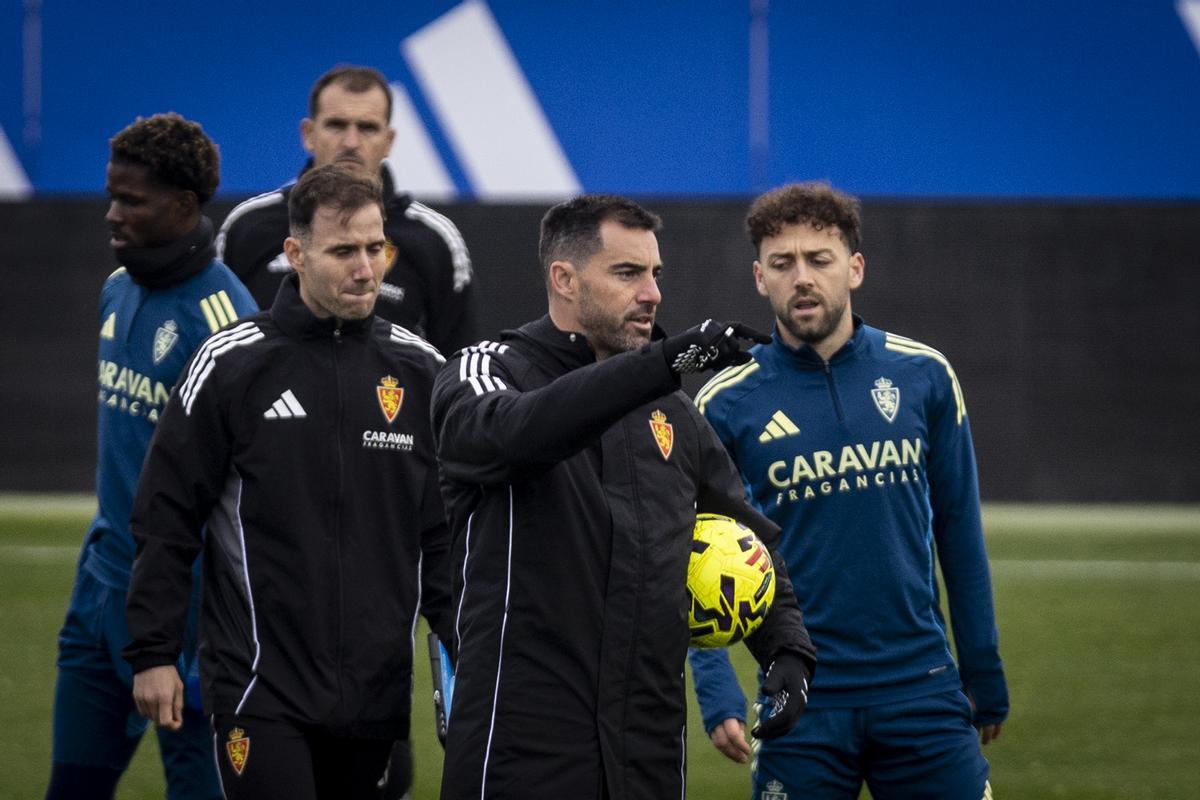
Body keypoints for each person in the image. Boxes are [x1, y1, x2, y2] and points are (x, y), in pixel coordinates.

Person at [430, 194, 818, 800]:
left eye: (655, 274)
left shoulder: (673, 414)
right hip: (523, 745)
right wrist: (661, 364)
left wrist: (786, 652)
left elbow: (749, 539)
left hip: (649, 747)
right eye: (627, 273)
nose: (652, 294)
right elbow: (511, 435)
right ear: (564, 279)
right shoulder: (487, 370)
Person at [122, 166, 454, 800]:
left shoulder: (420, 370)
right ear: (295, 254)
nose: (366, 269)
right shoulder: (230, 363)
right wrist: (155, 652)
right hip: (257, 690)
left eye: (375, 249)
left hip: (375, 698)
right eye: (343, 251)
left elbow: (442, 539)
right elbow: (166, 515)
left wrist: (466, 654)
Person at [689, 182, 1008, 799]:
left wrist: (983, 669)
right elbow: (698, 554)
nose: (801, 277)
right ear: (760, 277)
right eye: (782, 263)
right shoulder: (725, 403)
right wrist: (715, 682)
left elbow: (960, 536)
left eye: (820, 259)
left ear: (854, 268)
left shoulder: (924, 376)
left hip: (922, 686)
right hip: (799, 694)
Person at [46, 113, 257, 800]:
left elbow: (248, 489)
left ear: (184, 206)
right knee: (72, 789)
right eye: (113, 195)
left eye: (130, 200)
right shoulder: (117, 287)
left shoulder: (226, 321)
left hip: (189, 610)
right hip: (99, 587)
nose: (111, 214)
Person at [217, 63, 476, 356]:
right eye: (336, 125)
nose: (351, 142)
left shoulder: (433, 239)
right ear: (308, 133)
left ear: (389, 141)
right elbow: (215, 348)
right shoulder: (248, 226)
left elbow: (458, 368)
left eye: (367, 128)